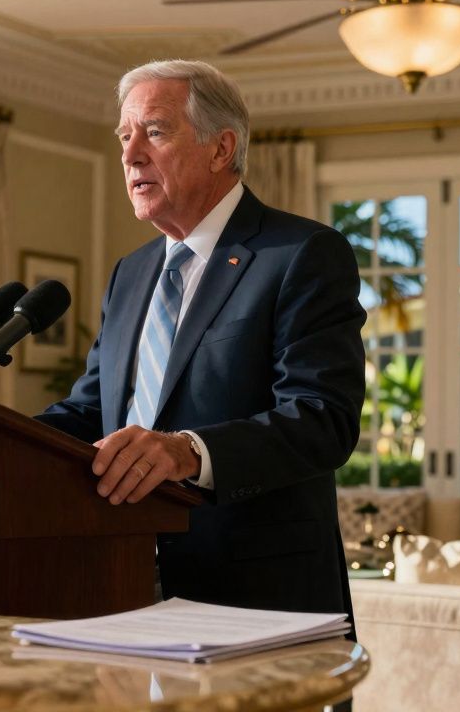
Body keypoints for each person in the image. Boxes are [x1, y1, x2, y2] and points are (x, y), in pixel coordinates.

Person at [35, 60, 366, 619]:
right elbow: (92, 411)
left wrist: (188, 452)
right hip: (121, 582)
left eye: (155, 131)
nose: (130, 153)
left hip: (256, 598)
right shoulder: (131, 272)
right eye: (124, 135)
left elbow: (322, 418)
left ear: (220, 149)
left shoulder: (300, 254)